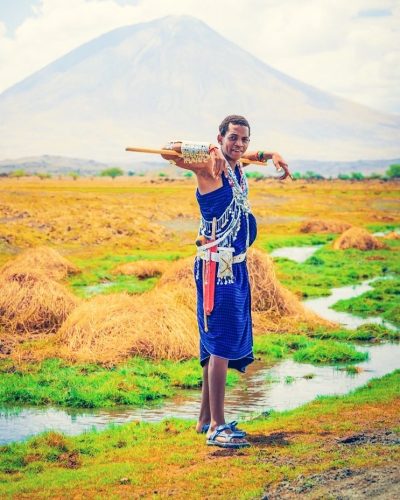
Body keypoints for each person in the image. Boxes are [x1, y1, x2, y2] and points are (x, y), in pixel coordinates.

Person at [162, 115, 289, 448]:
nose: (239, 145)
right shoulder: (208, 165)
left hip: (236, 266)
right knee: (219, 342)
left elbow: (248, 156)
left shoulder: (236, 165)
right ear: (219, 138)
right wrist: (205, 150)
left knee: (214, 344)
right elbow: (169, 150)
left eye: (244, 139)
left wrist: (268, 154)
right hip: (216, 271)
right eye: (233, 138)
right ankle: (218, 427)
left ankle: (205, 419)